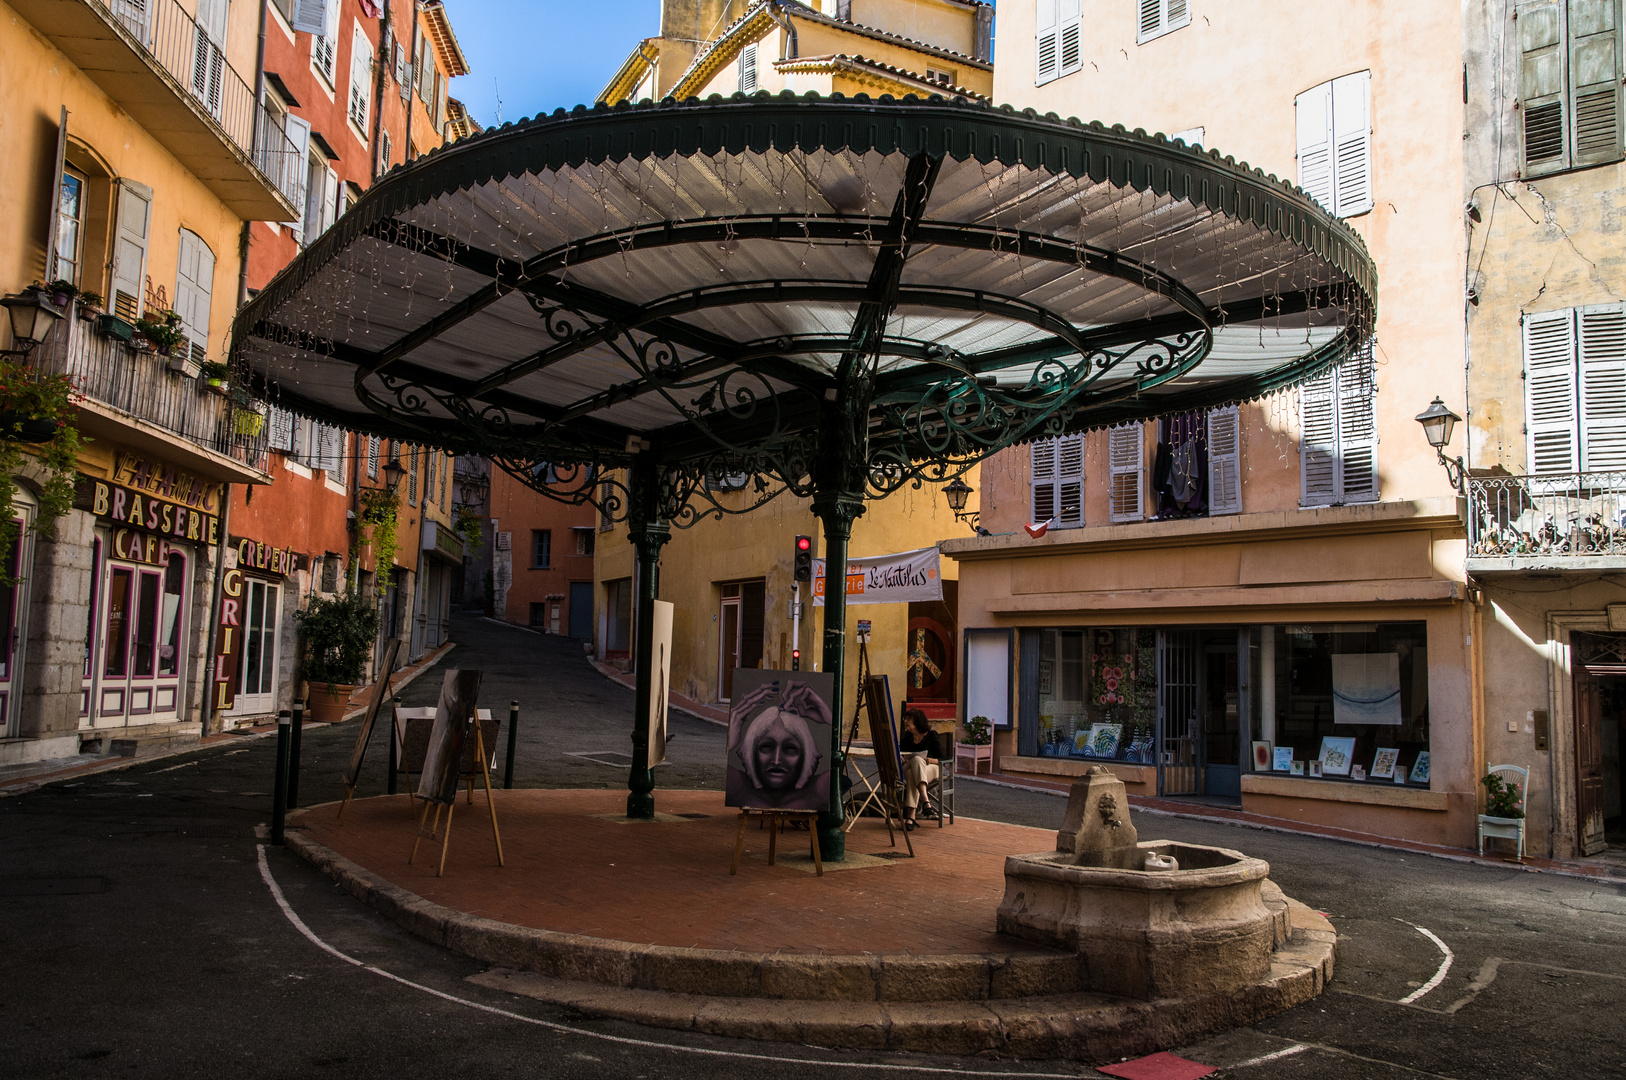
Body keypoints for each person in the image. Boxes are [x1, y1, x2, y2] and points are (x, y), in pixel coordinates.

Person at [898, 708, 942, 830]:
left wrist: (930, 760)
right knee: (916, 760)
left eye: (908, 719)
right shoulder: (906, 738)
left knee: (913, 773)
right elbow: (901, 754)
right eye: (905, 718)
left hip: (930, 767)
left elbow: (944, 759)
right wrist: (901, 758)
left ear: (917, 721)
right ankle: (925, 800)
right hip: (910, 766)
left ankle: (911, 817)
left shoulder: (932, 735)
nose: (905, 721)